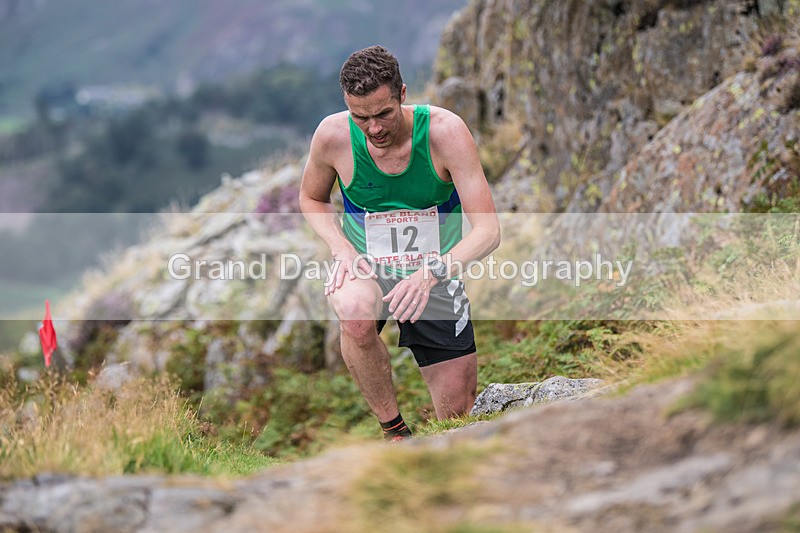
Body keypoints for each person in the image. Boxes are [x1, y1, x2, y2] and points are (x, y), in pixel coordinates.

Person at [299, 45, 500, 441]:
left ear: (402, 94)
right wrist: (341, 248)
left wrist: (431, 273)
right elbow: (311, 197)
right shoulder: (333, 136)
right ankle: (394, 433)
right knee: (354, 313)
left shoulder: (445, 133)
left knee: (457, 417)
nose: (373, 128)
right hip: (367, 265)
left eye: (383, 113)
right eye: (361, 117)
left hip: (434, 275)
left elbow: (488, 231)